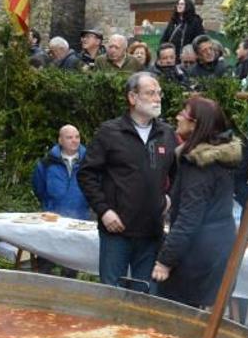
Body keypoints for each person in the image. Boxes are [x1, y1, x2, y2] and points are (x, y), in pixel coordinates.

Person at [77, 72, 177, 289]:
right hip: (116, 230)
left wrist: (169, 198)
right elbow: (86, 174)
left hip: (152, 232)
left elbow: (178, 176)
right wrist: (103, 211)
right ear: (132, 98)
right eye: (150, 93)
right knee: (111, 295)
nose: (157, 98)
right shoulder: (110, 132)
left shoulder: (167, 133)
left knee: (145, 297)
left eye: (159, 93)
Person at [151, 96, 239, 307]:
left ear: (196, 123)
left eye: (183, 112)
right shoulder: (220, 158)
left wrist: (165, 261)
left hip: (198, 256)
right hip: (216, 248)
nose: (177, 116)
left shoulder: (200, 165)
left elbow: (189, 220)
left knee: (178, 322)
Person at [32, 124, 90, 278]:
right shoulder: (46, 163)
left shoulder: (90, 162)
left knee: (71, 265)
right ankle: (41, 293)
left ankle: (68, 295)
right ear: (60, 140)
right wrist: (49, 204)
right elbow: (39, 188)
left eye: (77, 137)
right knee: (45, 262)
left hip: (79, 219)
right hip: (51, 220)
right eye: (69, 137)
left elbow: (97, 186)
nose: (74, 140)